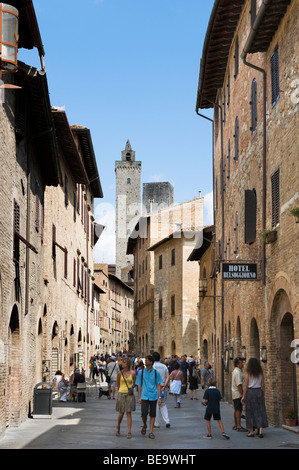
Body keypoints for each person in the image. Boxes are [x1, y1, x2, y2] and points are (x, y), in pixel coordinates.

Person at [135, 355, 163, 439]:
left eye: (147, 360)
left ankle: (151, 432)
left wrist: (159, 397)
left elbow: (158, 385)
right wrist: (139, 397)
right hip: (144, 395)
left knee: (152, 414)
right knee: (144, 413)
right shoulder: (141, 372)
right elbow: (139, 385)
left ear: (151, 362)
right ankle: (144, 424)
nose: (145, 361)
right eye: (145, 360)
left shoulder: (155, 373)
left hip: (153, 395)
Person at [241, 357, 268, 438]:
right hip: (259, 391)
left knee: (250, 412)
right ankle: (260, 431)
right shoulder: (260, 372)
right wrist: (263, 393)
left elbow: (246, 385)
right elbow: (263, 384)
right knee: (260, 410)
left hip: (251, 392)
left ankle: (251, 431)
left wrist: (243, 395)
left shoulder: (248, 372)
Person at [115, 357, 136, 439]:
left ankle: (129, 431)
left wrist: (131, 388)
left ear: (127, 364)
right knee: (121, 413)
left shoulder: (133, 373)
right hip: (121, 393)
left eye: (124, 363)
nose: (122, 364)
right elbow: (118, 384)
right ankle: (118, 426)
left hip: (129, 395)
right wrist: (121, 390)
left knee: (128, 413)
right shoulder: (119, 373)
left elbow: (135, 383)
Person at [152, 351, 171, 428]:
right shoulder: (164, 366)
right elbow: (168, 377)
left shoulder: (152, 366)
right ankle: (167, 420)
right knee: (163, 404)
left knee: (155, 405)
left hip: (155, 387)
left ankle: (156, 423)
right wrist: (165, 385)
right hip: (163, 386)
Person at [231, 357, 247, 432]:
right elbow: (239, 385)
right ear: (237, 364)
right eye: (241, 363)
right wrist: (243, 394)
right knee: (238, 410)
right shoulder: (237, 372)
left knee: (236, 409)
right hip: (237, 394)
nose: (242, 364)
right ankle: (238, 426)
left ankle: (236, 424)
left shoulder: (237, 371)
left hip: (235, 393)